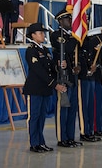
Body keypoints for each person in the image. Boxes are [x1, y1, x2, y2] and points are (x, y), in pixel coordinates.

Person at [23, 23, 66, 153]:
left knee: (42, 116)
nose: (43, 35)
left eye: (43, 32)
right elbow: (39, 71)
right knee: (35, 116)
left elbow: (50, 67)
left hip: (45, 89)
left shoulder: (45, 50)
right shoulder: (31, 50)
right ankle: (34, 143)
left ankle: (41, 142)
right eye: (40, 33)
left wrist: (58, 66)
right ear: (33, 35)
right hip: (36, 88)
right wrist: (54, 84)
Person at [50, 9, 82, 148]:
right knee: (63, 108)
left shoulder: (73, 36)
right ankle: (62, 138)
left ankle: (70, 137)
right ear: (61, 21)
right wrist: (75, 37)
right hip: (62, 76)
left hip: (73, 77)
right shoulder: (57, 35)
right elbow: (67, 48)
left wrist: (78, 66)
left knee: (72, 108)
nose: (71, 22)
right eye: (69, 20)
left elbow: (78, 54)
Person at [78, 26, 102, 142]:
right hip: (86, 79)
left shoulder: (93, 51)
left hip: (92, 79)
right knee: (86, 107)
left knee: (92, 107)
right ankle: (86, 131)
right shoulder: (85, 48)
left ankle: (91, 130)